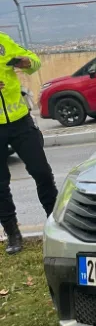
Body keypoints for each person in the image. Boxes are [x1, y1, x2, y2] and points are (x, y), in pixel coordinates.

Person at [0, 33, 58, 255]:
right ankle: (12, 233)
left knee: (42, 172)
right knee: (0, 185)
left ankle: (55, 223)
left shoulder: (3, 41)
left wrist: (26, 62)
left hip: (20, 122)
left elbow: (33, 62)